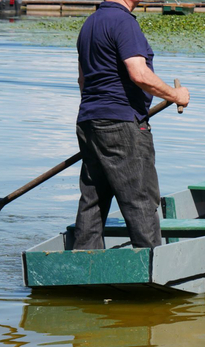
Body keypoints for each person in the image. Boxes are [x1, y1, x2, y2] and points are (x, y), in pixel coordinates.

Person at [73, 0, 190, 250]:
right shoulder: (124, 22)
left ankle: (83, 264)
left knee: (93, 200)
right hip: (122, 122)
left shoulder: (89, 24)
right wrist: (175, 95)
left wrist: (99, 119)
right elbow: (139, 74)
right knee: (140, 199)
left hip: (88, 121)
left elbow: (82, 80)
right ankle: (149, 269)